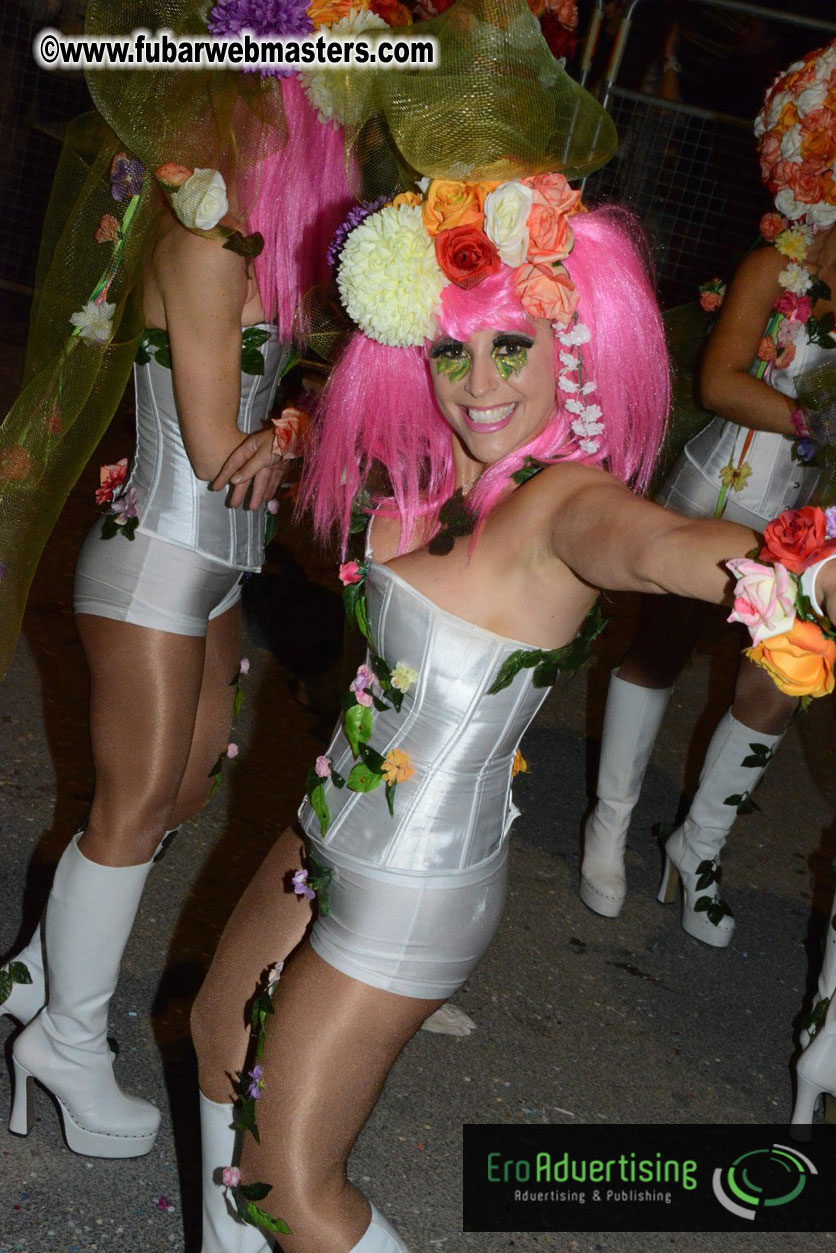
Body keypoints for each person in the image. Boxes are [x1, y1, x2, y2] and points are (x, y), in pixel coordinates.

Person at [190, 153, 836, 1248]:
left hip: (415, 882)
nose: (477, 382)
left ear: (570, 351)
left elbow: (675, 545)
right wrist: (295, 428)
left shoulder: (567, 502)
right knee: (215, 1030)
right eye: (450, 349)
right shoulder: (432, 467)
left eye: (510, 347)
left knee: (289, 1184)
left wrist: (796, 574)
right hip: (326, 828)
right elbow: (335, 458)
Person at [0, 0, 356, 1161]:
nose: (344, 145)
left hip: (212, 571)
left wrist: (303, 417)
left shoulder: (251, 244)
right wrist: (303, 437)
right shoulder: (203, 247)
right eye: (326, 120)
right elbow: (217, 455)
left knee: (182, 794)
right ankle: (66, 1040)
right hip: (156, 557)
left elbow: (289, 408)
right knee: (128, 810)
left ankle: (36, 970)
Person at [579, 37, 836, 946]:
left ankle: (700, 847)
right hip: (722, 496)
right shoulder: (777, 269)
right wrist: (816, 421)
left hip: (813, 526)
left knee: (780, 681)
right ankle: (609, 824)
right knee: (659, 650)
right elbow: (721, 380)